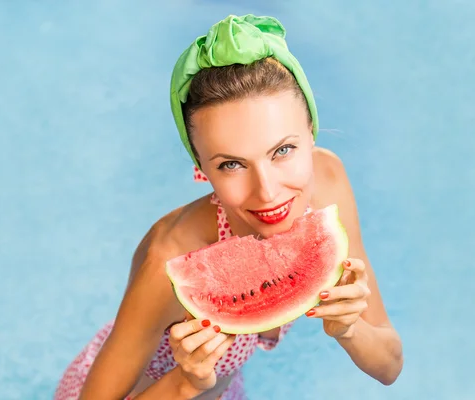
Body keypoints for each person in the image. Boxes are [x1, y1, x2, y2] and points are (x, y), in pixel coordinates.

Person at [54, 14, 403, 400]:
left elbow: (389, 365)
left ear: (311, 132)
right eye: (231, 164)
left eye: (283, 151)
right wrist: (186, 382)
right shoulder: (168, 262)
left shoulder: (329, 178)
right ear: (201, 168)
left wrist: (351, 329)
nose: (267, 192)